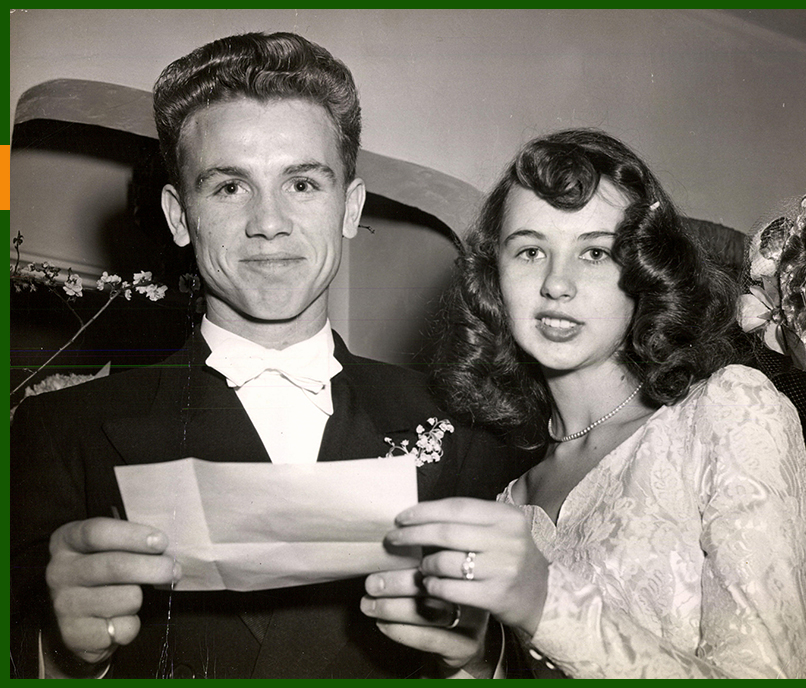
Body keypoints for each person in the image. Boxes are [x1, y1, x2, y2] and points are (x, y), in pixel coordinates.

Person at [9, 32, 535, 679]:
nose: (269, 223)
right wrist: (64, 655)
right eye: (230, 187)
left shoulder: (467, 430)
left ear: (351, 206)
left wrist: (480, 661)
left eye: (303, 184)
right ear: (180, 217)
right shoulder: (59, 434)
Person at [361, 129, 806, 678]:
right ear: (493, 281)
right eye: (530, 251)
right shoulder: (510, 499)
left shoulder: (728, 411)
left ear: (645, 273)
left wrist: (543, 600)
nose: (557, 283)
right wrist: (474, 661)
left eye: (595, 252)